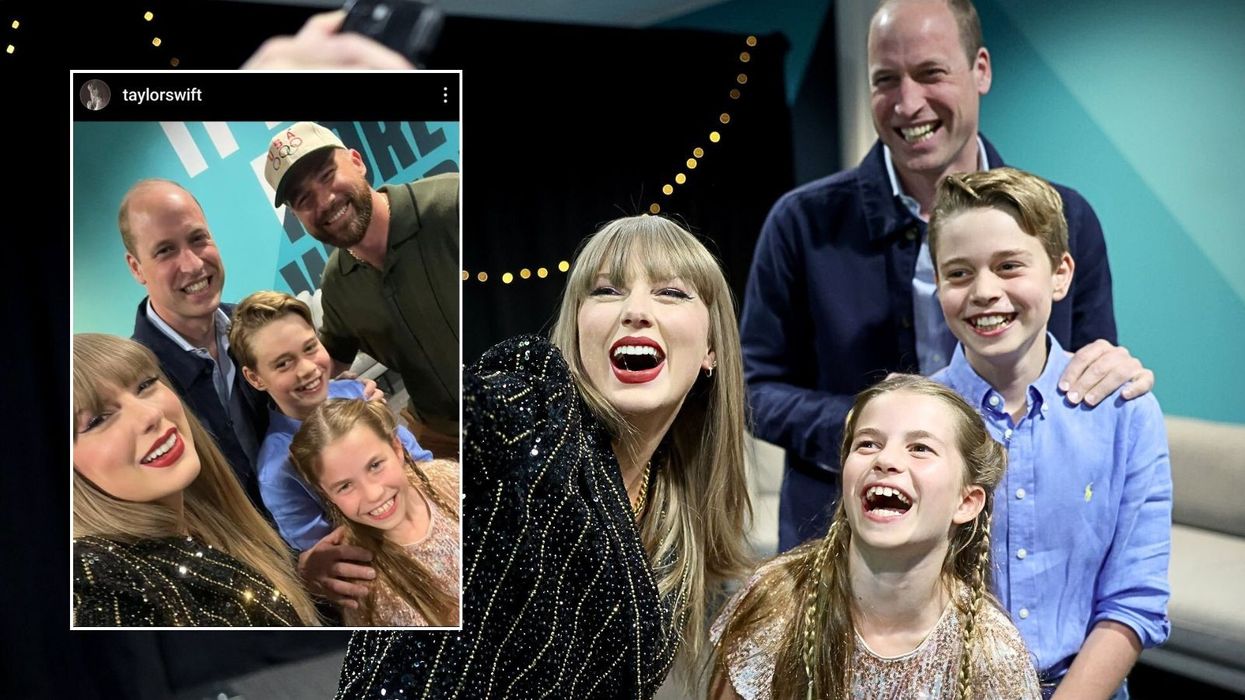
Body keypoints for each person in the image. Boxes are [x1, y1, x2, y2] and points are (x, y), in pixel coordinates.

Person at [740, 0, 1156, 552]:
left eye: (930, 73)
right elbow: (753, 389)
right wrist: (876, 429)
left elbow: (1083, 374)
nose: (908, 103)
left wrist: (1112, 370)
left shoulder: (1066, 218)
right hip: (840, 543)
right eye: (885, 80)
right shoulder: (800, 223)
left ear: (980, 70)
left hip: (1019, 545)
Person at [334, 215, 753, 697]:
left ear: (711, 350)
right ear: (576, 329)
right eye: (606, 291)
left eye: (672, 293)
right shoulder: (536, 401)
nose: (636, 310)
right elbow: (481, 411)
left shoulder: (674, 511)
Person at [928, 168, 1171, 699]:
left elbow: (1135, 600)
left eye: (1010, 266)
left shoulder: (1126, 414)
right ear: (938, 283)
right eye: (959, 273)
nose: (985, 292)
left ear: (1060, 274)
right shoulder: (913, 418)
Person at [711, 374, 1039, 699]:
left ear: (966, 502)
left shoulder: (992, 652)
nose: (886, 460)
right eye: (868, 443)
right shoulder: (778, 599)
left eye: (920, 448)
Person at [72, 333, 321, 627]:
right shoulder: (104, 584)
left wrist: (306, 578)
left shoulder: (201, 520)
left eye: (145, 385)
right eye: (98, 419)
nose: (150, 414)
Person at [263, 121, 460, 459]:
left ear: (356, 161)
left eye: (327, 175)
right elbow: (328, 359)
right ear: (297, 217)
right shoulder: (338, 284)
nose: (324, 201)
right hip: (444, 437)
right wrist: (343, 389)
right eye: (304, 199)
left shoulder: (451, 205)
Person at [229, 290, 433, 557]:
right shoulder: (276, 471)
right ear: (255, 378)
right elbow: (329, 556)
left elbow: (420, 462)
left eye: (310, 348)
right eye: (283, 363)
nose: (307, 369)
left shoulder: (356, 392)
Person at [290, 399, 461, 627]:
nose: (372, 494)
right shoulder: (361, 582)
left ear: (397, 449)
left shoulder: (449, 478)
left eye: (375, 466)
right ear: (326, 494)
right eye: (345, 486)